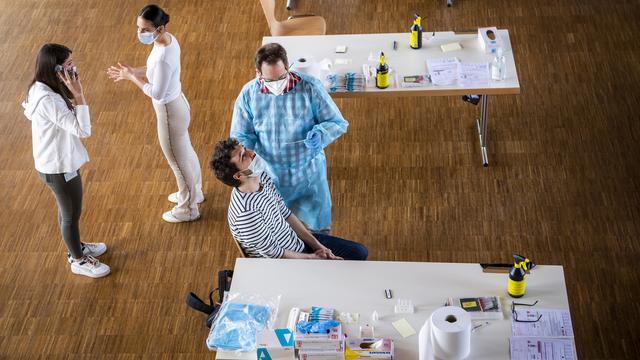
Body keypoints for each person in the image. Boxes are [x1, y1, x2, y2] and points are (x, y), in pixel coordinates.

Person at [230, 43, 348, 233]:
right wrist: (248, 162)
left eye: (282, 77)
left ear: (288, 66)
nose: (277, 83)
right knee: (281, 232)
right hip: (270, 177)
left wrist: (321, 133)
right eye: (270, 79)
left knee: (319, 233)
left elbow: (337, 122)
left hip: (308, 175)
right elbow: (241, 135)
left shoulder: (310, 87)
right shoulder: (249, 94)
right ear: (258, 73)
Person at [107, 4, 203, 223]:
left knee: (177, 162)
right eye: (138, 28)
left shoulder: (162, 56)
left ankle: (188, 208)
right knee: (186, 151)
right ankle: (194, 192)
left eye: (145, 30)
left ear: (159, 29)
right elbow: (155, 71)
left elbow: (156, 92)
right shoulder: (169, 40)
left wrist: (132, 78)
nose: (139, 34)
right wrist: (133, 71)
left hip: (169, 112)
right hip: (179, 103)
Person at [22, 43, 110, 278]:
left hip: (61, 163)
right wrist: (79, 93)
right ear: (56, 68)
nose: (74, 68)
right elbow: (83, 130)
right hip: (58, 168)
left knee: (70, 210)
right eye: (69, 65)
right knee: (71, 213)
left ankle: (75, 247)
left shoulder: (43, 88)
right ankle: (78, 260)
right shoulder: (49, 100)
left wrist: (71, 90)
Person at [210, 138, 368, 260]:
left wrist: (317, 246)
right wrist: (314, 258)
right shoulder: (246, 215)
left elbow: (285, 213)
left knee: (359, 252)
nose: (252, 153)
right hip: (287, 263)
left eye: (245, 149)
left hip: (297, 242)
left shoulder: (260, 176)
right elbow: (275, 254)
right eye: (243, 156)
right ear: (239, 175)